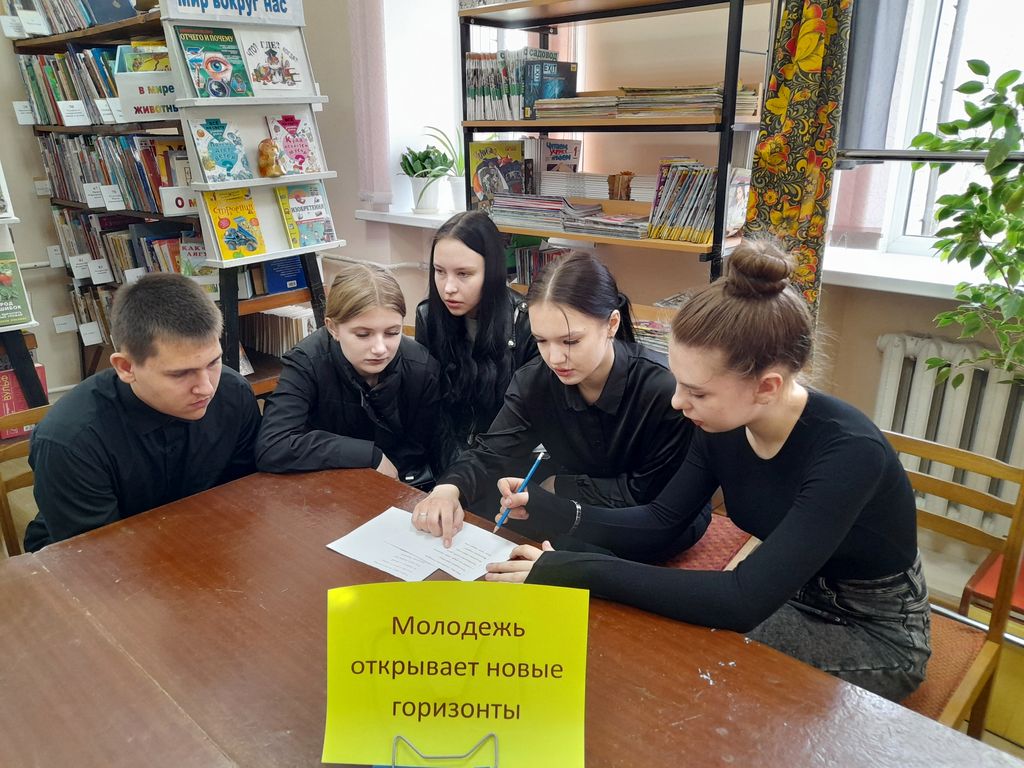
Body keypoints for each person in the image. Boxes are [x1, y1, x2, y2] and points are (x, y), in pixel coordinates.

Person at [484, 239, 930, 702]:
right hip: (787, 590)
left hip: (873, 629)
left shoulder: (849, 453)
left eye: (696, 392)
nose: (678, 402)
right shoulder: (723, 423)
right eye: (679, 383)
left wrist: (578, 571)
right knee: (659, 633)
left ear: (767, 387)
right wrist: (550, 509)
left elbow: (740, 600)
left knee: (686, 656)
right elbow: (661, 519)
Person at [412, 252, 702, 550]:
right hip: (576, 505)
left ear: (612, 324)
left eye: (570, 341)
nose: (554, 358)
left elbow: (648, 496)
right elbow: (492, 453)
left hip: (654, 521)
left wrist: (558, 488)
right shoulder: (534, 381)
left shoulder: (663, 389)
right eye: (541, 340)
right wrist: (448, 490)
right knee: (494, 514)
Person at [24, 273, 261, 552]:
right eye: (180, 374)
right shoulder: (70, 441)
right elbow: (96, 555)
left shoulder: (234, 394)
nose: (206, 388)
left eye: (213, 363)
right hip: (91, 560)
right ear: (126, 367)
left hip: (199, 538)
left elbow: (244, 494)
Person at [256, 263, 441, 486]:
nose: (380, 348)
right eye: (363, 334)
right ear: (332, 328)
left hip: (399, 484)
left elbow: (426, 449)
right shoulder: (306, 362)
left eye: (392, 333)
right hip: (325, 484)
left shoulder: (422, 367)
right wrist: (368, 455)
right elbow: (273, 445)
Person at [415, 210, 538, 469]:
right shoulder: (428, 317)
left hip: (504, 465)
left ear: (491, 271)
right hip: (444, 460)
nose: (448, 287)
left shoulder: (525, 323)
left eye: (464, 274)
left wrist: (473, 473)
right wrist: (452, 473)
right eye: (439, 271)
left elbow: (525, 422)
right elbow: (431, 410)